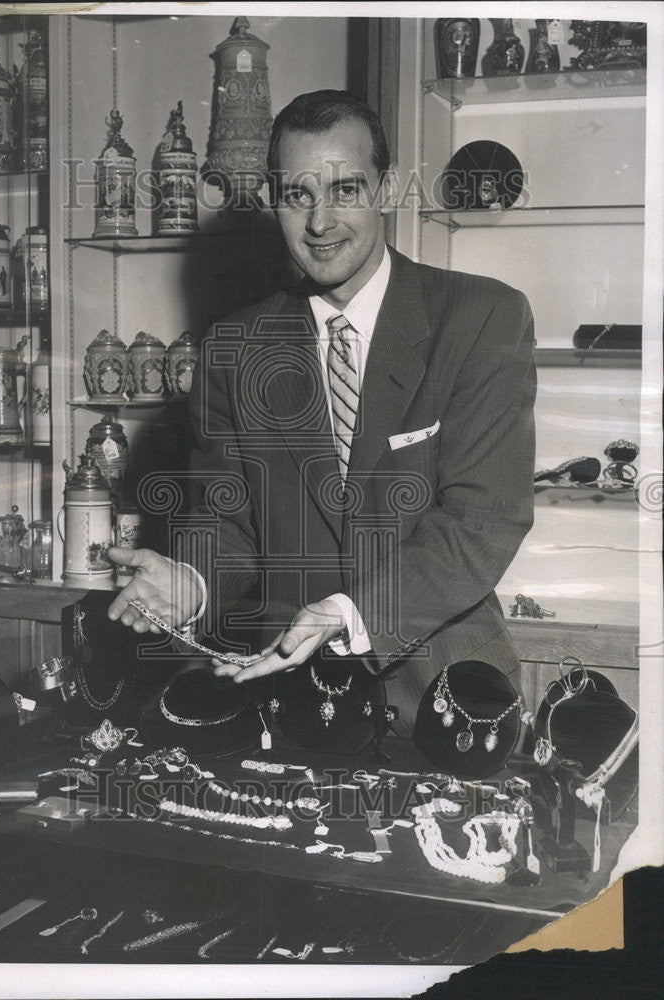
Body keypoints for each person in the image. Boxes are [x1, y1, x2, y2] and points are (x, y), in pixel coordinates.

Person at [108, 90, 536, 735]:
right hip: (286, 694)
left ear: (387, 189)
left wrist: (347, 612)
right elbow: (228, 520)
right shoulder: (234, 347)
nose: (320, 222)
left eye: (346, 190)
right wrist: (192, 581)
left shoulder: (480, 317)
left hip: (445, 704)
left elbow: (483, 519)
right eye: (298, 195)